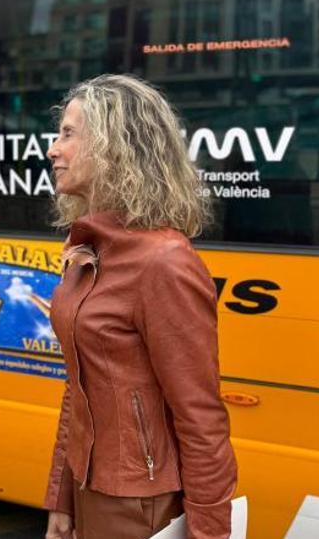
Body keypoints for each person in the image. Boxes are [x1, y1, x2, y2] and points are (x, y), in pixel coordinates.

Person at [42, 74, 237, 539]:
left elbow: (200, 414)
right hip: (92, 486)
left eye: (68, 134)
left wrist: (210, 530)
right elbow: (80, 389)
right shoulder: (92, 249)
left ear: (115, 146)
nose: (53, 149)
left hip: (139, 502)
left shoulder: (163, 262)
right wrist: (62, 496)